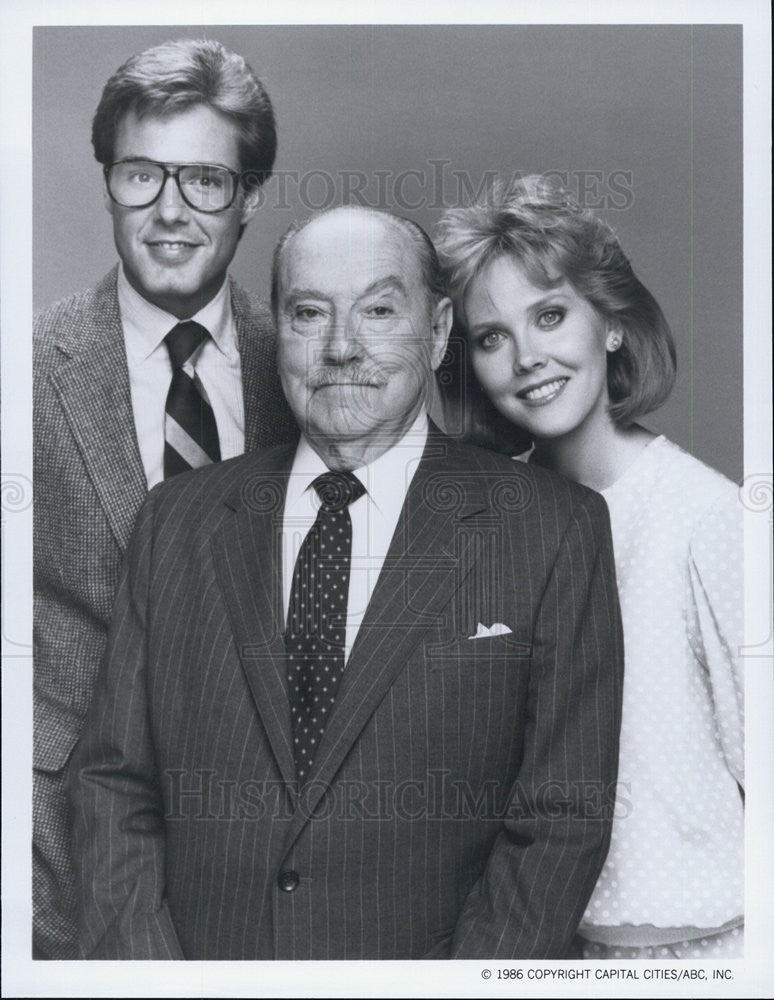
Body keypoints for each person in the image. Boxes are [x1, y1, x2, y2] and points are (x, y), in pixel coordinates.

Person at [69, 205, 624, 960]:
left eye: (379, 311)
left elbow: (560, 816)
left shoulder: (551, 529)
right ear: (277, 336)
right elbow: (112, 785)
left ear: (435, 333)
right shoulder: (179, 522)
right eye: (308, 314)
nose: (340, 348)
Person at [33, 38, 297, 959]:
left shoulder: (308, 366)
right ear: (108, 182)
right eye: (142, 175)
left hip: (267, 859)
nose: (172, 211)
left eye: (207, 182)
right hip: (52, 858)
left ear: (251, 197)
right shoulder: (24, 370)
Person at [435, 174, 744, 959]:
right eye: (492, 336)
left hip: (713, 949)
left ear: (608, 322)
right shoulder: (496, 529)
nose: (527, 358)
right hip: (552, 953)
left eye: (549, 315)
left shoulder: (708, 517)